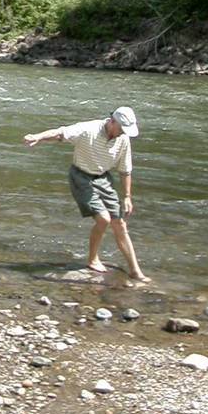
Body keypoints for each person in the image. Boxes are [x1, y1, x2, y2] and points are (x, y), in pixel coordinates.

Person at [23, 106, 150, 283]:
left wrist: (127, 196)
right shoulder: (88, 129)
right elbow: (61, 133)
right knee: (103, 219)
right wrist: (38, 137)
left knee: (119, 223)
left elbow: (125, 170)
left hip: (103, 178)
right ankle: (92, 259)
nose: (123, 133)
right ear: (112, 121)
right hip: (81, 177)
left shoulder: (123, 139)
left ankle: (135, 271)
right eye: (121, 129)